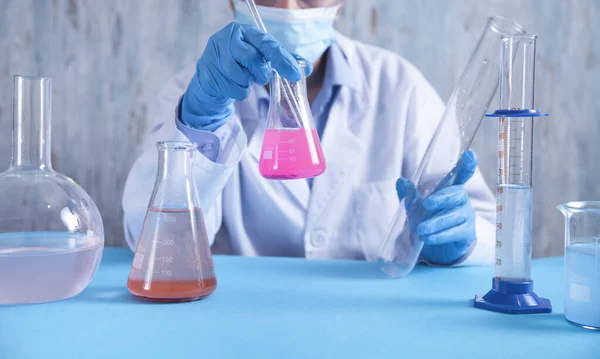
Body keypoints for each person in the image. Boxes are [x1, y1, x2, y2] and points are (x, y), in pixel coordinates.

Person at [122, 0, 496, 266]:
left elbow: (489, 231)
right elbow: (153, 245)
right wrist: (200, 121)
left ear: (339, 4)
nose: (287, 8)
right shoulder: (195, 92)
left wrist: (461, 243)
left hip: (367, 327)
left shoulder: (398, 87)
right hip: (233, 324)